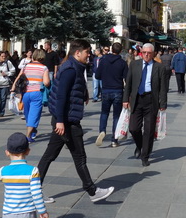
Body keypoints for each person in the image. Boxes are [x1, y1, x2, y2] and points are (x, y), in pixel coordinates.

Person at [38, 39, 114, 204]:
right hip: (66, 121)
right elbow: (61, 97)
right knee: (78, 157)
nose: (89, 55)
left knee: (50, 156)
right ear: (77, 52)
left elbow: (73, 88)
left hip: (66, 119)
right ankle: (92, 191)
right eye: (87, 52)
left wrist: (83, 94)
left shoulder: (74, 66)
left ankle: (33, 191)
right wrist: (59, 121)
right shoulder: (70, 69)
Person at [123, 43, 168, 167]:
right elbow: (129, 83)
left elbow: (163, 87)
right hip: (137, 100)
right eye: (144, 52)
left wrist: (163, 103)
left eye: (149, 53)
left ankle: (145, 155)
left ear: (153, 54)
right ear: (141, 53)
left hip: (151, 100)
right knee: (133, 128)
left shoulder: (159, 67)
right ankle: (139, 145)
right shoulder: (134, 65)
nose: (146, 55)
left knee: (148, 130)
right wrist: (125, 99)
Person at [95, 42, 129, 148]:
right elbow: (127, 78)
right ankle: (114, 140)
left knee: (104, 113)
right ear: (120, 51)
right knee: (116, 116)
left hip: (105, 90)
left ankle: (102, 130)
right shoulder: (122, 63)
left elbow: (97, 75)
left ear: (111, 49)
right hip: (118, 90)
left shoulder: (103, 60)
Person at [20, 49, 50, 142]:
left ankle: (33, 131)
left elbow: (20, 78)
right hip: (37, 93)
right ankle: (28, 136)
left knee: (28, 114)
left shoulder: (26, 66)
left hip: (26, 92)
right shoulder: (44, 68)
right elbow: (46, 82)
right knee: (34, 115)